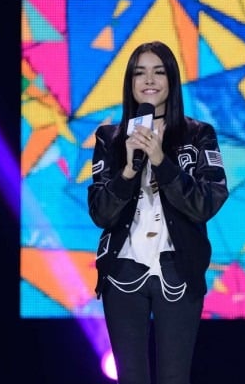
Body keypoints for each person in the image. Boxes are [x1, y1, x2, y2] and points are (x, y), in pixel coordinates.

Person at [87, 41, 229, 384]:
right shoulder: (110, 138)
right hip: (122, 271)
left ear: (172, 79)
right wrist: (129, 171)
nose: (148, 80)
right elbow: (101, 213)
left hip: (178, 270)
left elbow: (207, 202)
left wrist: (162, 162)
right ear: (130, 83)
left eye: (158, 71)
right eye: (140, 73)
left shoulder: (198, 135)